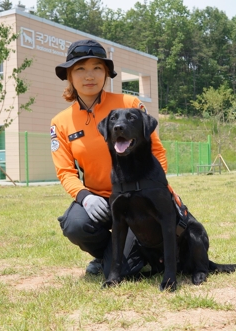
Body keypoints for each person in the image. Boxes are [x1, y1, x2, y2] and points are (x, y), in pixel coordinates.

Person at [50, 39, 168, 277]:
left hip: (138, 196)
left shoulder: (129, 105)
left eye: (97, 68)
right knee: (75, 224)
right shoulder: (60, 122)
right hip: (100, 200)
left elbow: (157, 152)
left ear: (106, 73)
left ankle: (121, 258)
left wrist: (160, 189)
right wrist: (85, 198)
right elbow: (65, 171)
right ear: (70, 76)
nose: (89, 75)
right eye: (80, 69)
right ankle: (110, 257)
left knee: (123, 271)